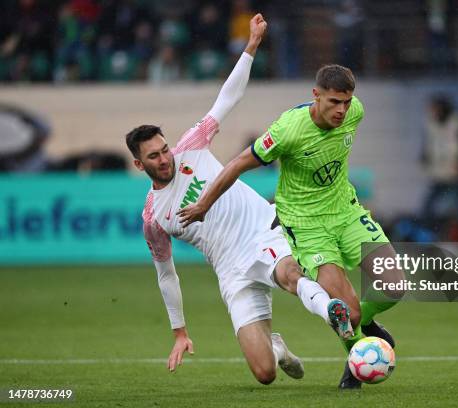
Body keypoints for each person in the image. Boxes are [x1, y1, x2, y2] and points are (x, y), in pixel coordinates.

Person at [125, 14, 351, 385]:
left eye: (165, 150)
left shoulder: (192, 147)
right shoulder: (153, 217)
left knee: (290, 274)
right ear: (139, 164)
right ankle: (277, 347)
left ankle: (332, 312)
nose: (165, 159)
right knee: (264, 372)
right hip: (230, 268)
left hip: (264, 231)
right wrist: (179, 331)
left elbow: (227, 98)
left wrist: (250, 47)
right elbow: (166, 275)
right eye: (154, 157)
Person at [177, 63, 406, 389]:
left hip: (346, 212)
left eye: (346, 101)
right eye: (333, 102)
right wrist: (203, 205)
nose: (342, 110)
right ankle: (356, 359)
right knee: (346, 313)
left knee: (394, 286)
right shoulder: (288, 130)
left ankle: (363, 325)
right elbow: (238, 164)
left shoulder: (356, 111)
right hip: (307, 226)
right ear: (315, 96)